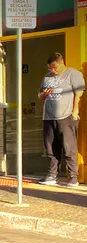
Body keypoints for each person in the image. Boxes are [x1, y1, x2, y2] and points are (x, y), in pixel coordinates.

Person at [38, 52, 84, 187]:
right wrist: (44, 94)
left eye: (54, 67)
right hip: (48, 116)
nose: (52, 70)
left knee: (69, 147)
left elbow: (79, 93)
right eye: (50, 68)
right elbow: (40, 96)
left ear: (61, 63)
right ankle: (52, 175)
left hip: (66, 116)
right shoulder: (47, 77)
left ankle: (73, 177)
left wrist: (75, 111)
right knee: (51, 147)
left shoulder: (73, 74)